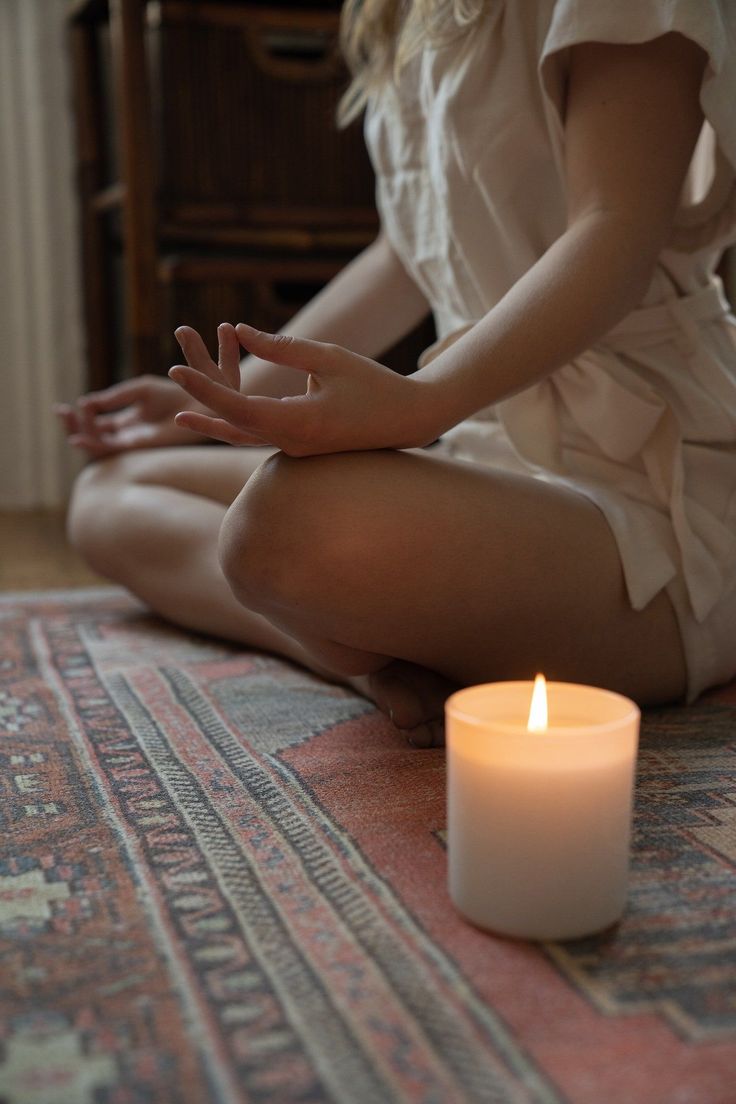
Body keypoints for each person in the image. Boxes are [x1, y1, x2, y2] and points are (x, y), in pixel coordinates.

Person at [59, 0, 736, 748]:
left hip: (646, 482)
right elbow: (405, 256)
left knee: (281, 525)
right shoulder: (405, 12)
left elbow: (615, 226)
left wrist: (424, 404)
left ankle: (359, 629)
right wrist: (231, 398)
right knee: (110, 491)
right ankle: (364, 663)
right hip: (482, 448)